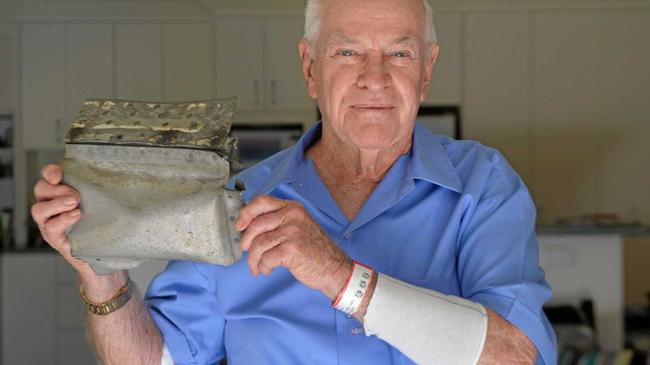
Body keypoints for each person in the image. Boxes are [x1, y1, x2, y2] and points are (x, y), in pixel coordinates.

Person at [31, 0, 557, 364]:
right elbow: (158, 358)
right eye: (347, 52)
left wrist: (336, 275)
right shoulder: (230, 205)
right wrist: (101, 277)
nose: (375, 76)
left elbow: (516, 355)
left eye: (400, 53)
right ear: (310, 67)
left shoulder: (484, 186)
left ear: (427, 70)